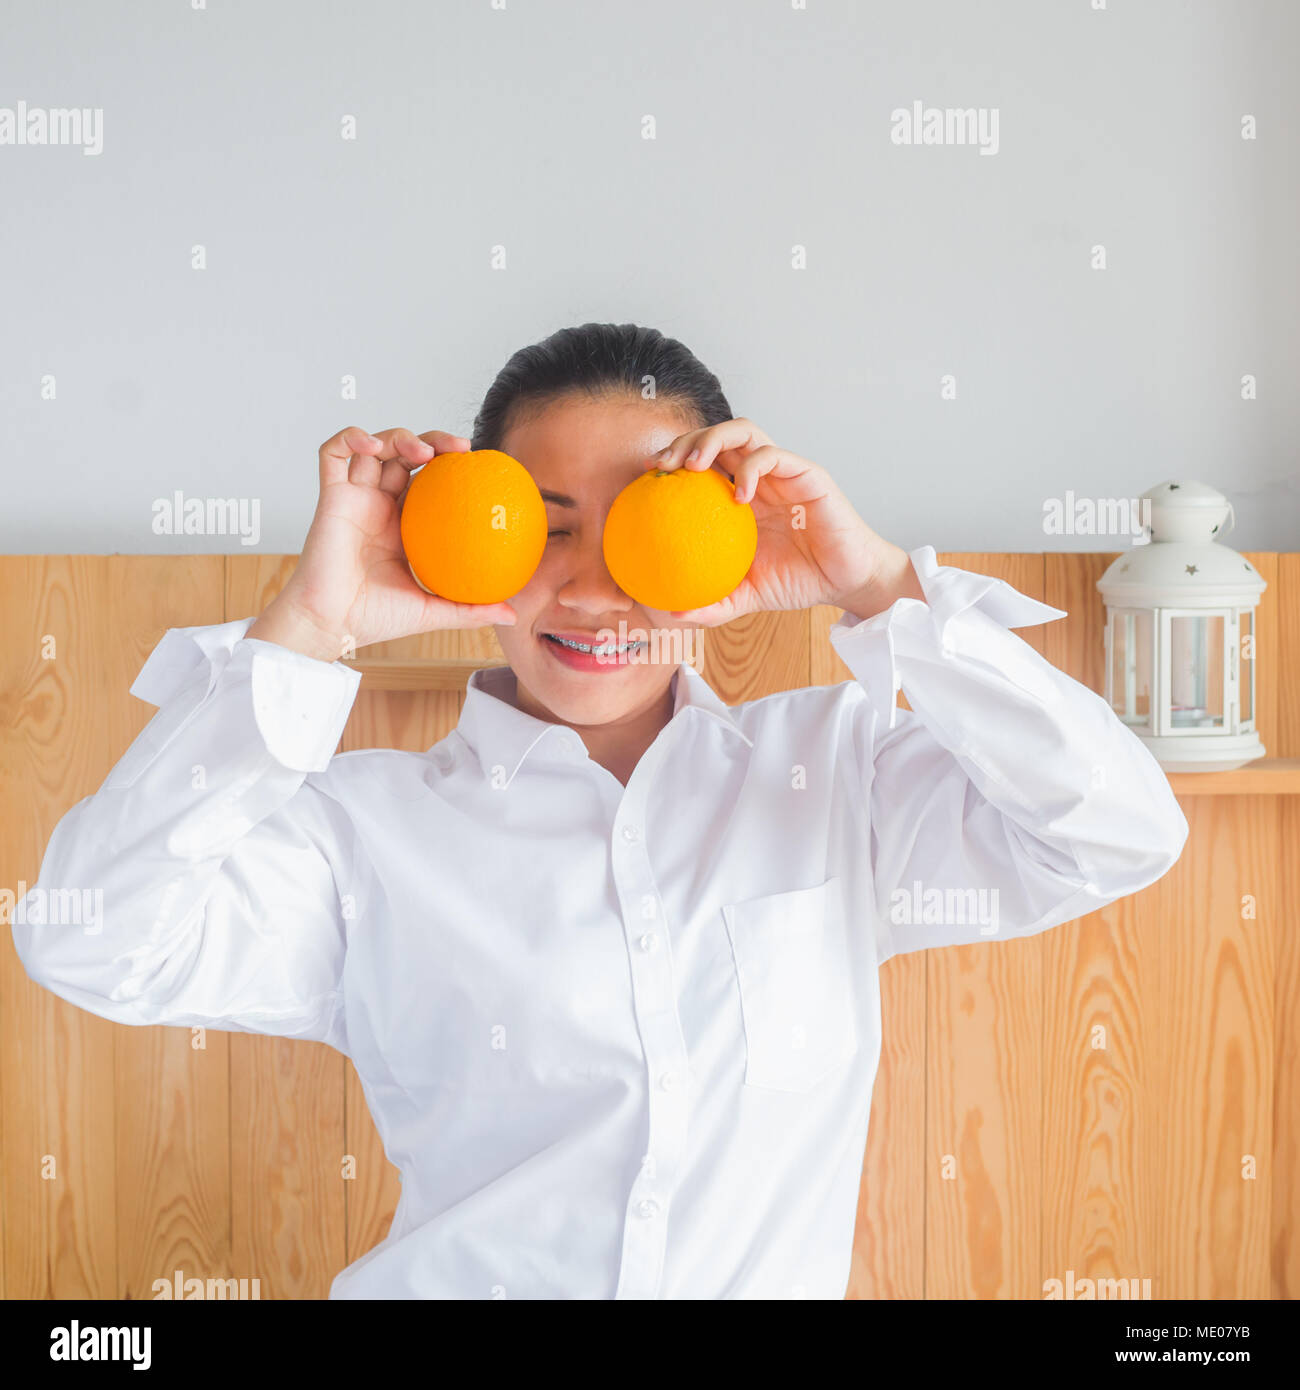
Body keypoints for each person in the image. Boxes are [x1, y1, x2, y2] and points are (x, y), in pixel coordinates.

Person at [12, 322, 1189, 1299]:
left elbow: (1119, 829)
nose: (592, 586)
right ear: (464, 540)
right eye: (546, 525)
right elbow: (87, 936)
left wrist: (877, 586)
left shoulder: (835, 773)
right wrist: (311, 627)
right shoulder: (360, 837)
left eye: (646, 523)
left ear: (727, 531)